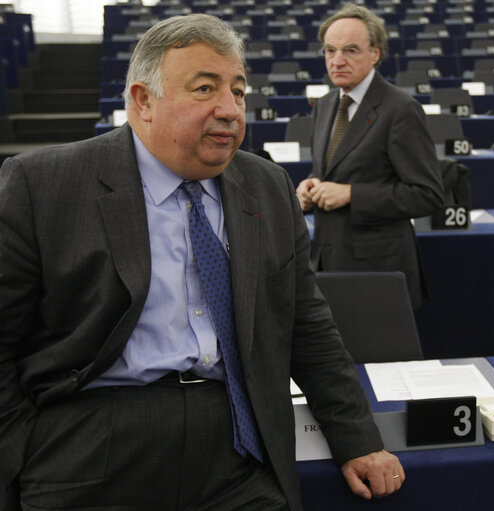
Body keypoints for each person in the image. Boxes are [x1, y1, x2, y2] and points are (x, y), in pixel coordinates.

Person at [0, 14, 404, 510]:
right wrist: (19, 453)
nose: (231, 110)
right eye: (205, 88)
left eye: (238, 91)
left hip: (235, 441)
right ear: (143, 100)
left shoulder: (267, 186)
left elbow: (307, 327)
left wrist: (358, 437)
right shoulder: (43, 185)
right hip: (93, 440)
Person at [295, 4, 443, 309]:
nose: (337, 61)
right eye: (330, 50)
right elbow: (334, 169)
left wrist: (352, 195)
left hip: (378, 271)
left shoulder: (400, 109)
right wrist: (311, 185)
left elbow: (427, 195)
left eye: (350, 50)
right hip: (326, 261)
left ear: (375, 53)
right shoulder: (324, 105)